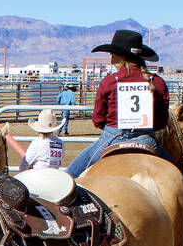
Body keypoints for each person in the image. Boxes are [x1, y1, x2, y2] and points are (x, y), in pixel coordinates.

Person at [64, 29, 170, 178]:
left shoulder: (109, 81)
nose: (111, 60)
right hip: (146, 139)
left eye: (113, 56)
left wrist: (110, 128)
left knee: (69, 176)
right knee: (179, 175)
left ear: (121, 57)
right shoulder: (157, 82)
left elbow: (98, 118)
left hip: (112, 138)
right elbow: (161, 121)